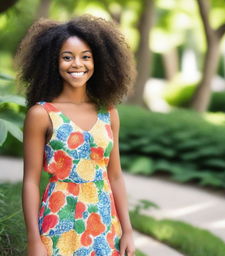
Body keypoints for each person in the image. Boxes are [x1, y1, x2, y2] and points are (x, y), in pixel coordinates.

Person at [16, 14, 137, 256]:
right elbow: (30, 181)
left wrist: (128, 230)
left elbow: (114, 176)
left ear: (99, 61)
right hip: (58, 218)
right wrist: (34, 240)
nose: (77, 64)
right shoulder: (42, 114)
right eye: (67, 57)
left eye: (86, 57)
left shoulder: (109, 113)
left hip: (103, 222)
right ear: (53, 61)